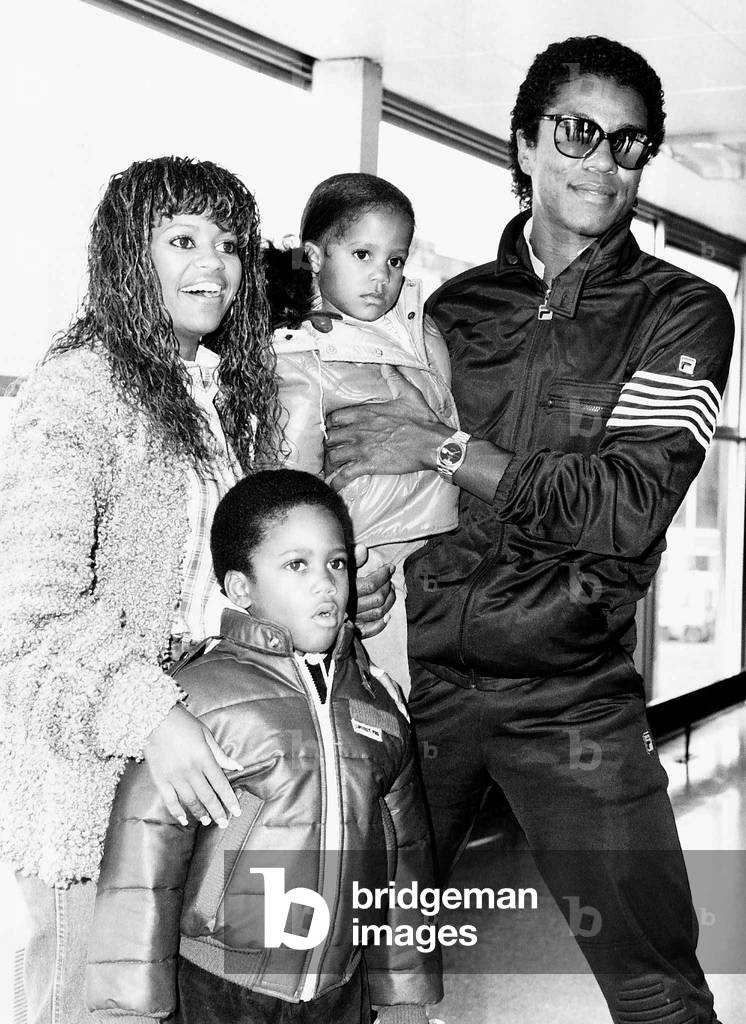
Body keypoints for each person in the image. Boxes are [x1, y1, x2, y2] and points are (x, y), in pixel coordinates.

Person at [323, 36, 734, 1024]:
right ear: (523, 145)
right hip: (418, 693)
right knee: (348, 970)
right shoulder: (452, 311)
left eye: (628, 143)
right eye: (578, 132)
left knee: (657, 994)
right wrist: (367, 577)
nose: (603, 160)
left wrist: (446, 448)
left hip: (571, 701)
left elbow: (623, 509)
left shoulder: (681, 311)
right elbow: (386, 486)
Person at [0, 156, 393, 1024]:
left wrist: (331, 589)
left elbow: (231, 580)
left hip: (206, 783)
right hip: (90, 782)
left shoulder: (220, 393)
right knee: (84, 1006)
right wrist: (152, 717)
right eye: (182, 239)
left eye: (229, 244)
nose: (212, 265)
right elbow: (29, 613)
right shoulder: (78, 389)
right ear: (125, 257)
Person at [86, 469, 442, 1024]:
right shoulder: (193, 699)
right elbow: (144, 859)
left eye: (337, 563)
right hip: (219, 985)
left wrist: (403, 998)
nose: (326, 583)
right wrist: (132, 1007)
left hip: (340, 987)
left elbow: (407, 862)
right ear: (239, 588)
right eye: (296, 565)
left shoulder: (379, 705)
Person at [266, 173, 459, 689]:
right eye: (362, 255)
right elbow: (294, 486)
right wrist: (339, 566)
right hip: (367, 552)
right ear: (314, 257)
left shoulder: (414, 327)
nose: (382, 276)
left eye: (395, 261)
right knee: (376, 703)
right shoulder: (301, 354)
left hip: (423, 549)